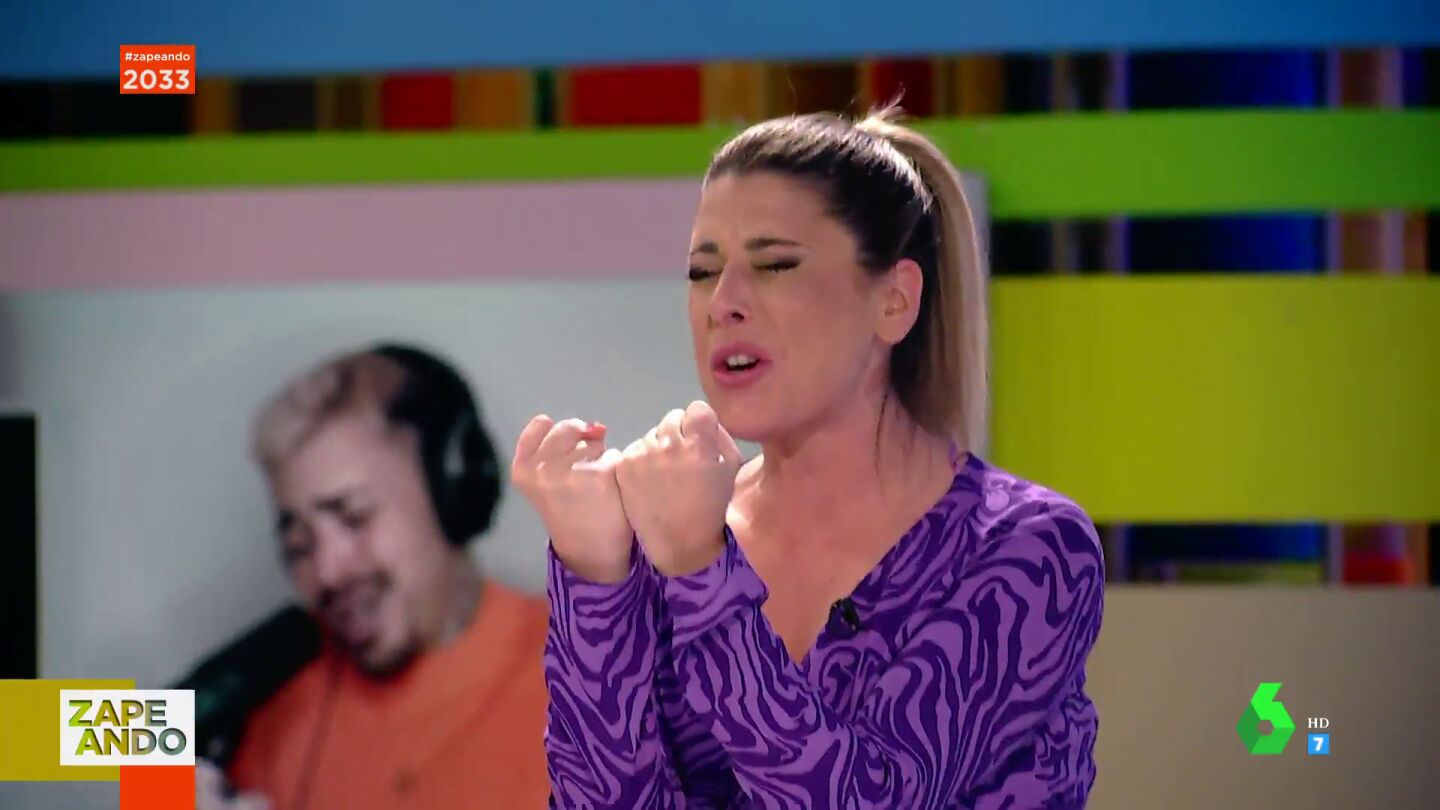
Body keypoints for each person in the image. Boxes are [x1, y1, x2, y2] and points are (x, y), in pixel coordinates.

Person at [514, 109, 1104, 808]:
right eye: (702, 272)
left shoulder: (1028, 547)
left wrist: (701, 572)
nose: (723, 303)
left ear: (895, 301)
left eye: (774, 264)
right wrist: (595, 576)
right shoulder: (670, 533)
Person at [198, 343, 551, 810]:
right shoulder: (272, 669)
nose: (326, 572)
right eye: (299, 544)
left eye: (354, 516)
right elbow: (101, 736)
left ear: (454, 493)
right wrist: (155, 787)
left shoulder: (609, 672)